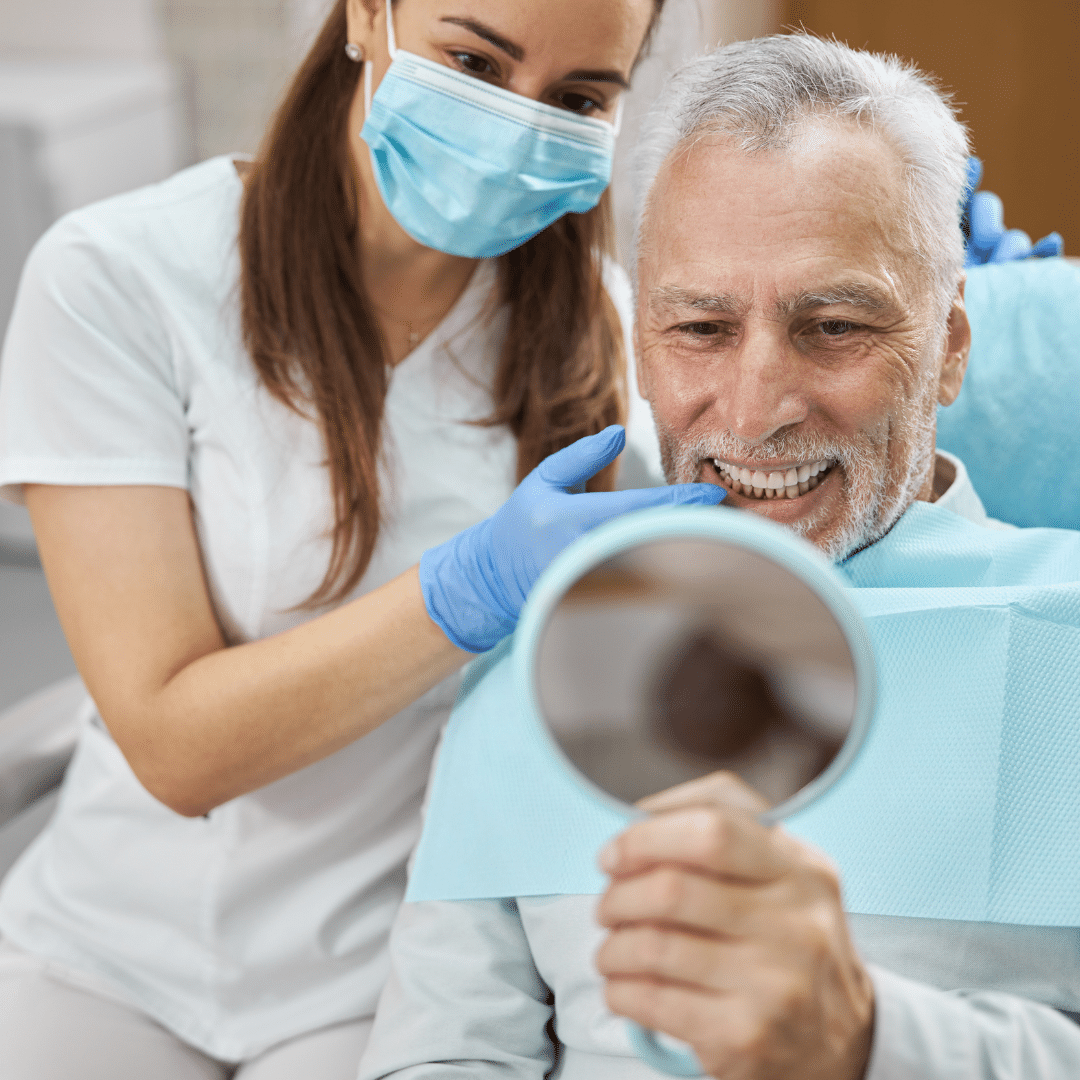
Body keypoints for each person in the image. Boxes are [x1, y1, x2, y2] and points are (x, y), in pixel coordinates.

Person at [0, 1, 735, 1076]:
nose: (516, 123)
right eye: (474, 59)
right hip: (108, 949)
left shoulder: (607, 341)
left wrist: (935, 306)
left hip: (380, 976)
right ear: (367, 14)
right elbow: (174, 745)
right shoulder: (120, 276)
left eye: (579, 100)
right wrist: (464, 592)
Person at [357, 35, 1080, 1080]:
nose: (752, 413)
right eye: (699, 327)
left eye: (832, 327)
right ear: (640, 342)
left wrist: (869, 1042)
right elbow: (438, 1051)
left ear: (950, 349)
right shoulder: (539, 656)